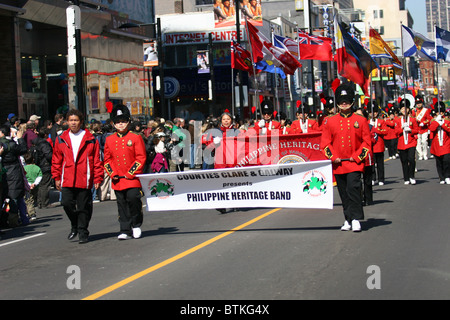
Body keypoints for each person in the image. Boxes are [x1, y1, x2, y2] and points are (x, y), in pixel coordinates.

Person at [321, 83, 371, 232]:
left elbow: (366, 143)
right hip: (338, 164)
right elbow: (325, 144)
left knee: (353, 188)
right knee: (343, 192)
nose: (344, 104)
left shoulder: (360, 120)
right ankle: (347, 218)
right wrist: (333, 157)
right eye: (342, 101)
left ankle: (356, 218)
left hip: (354, 163)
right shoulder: (330, 121)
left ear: (352, 102)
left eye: (347, 101)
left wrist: (356, 157)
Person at [52, 109, 104, 244]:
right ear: (67, 122)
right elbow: (56, 159)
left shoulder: (90, 139)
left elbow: (96, 160)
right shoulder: (61, 138)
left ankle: (82, 231)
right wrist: (56, 177)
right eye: (71, 120)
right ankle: (74, 224)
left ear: (81, 122)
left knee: (83, 207)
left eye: (76, 120)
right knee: (66, 203)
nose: (73, 123)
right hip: (67, 177)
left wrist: (97, 177)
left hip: (84, 177)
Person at [103, 104, 147, 240]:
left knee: (134, 200)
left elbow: (141, 157)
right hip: (118, 179)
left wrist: (131, 172)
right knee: (121, 204)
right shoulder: (109, 139)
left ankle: (136, 225)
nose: (120, 124)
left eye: (123, 121)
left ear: (128, 122)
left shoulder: (135, 137)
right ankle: (124, 229)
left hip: (132, 178)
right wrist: (112, 173)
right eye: (117, 122)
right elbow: (107, 159)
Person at [0, 126, 29, 227]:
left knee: (6, 197)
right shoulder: (11, 144)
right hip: (14, 172)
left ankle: (8, 219)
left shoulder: (4, 144)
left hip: (4, 172)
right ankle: (17, 219)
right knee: (17, 196)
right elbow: (23, 149)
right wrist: (20, 138)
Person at [395, 98, 419, 185]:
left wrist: (410, 130)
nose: (404, 110)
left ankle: (412, 176)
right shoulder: (397, 120)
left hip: (411, 142)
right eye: (402, 109)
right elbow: (396, 132)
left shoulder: (412, 119)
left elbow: (417, 130)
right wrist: (402, 128)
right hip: (402, 144)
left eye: (405, 108)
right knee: (404, 161)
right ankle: (406, 177)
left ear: (408, 109)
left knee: (411, 159)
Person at [30, 127, 53, 209]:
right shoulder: (44, 144)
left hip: (38, 164)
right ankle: (44, 202)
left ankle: (39, 201)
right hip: (45, 165)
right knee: (45, 184)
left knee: (41, 184)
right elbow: (48, 154)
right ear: (46, 135)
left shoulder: (36, 142)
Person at [429, 101, 450, 184]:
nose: (439, 114)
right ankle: (441, 177)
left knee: (447, 160)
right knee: (439, 162)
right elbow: (431, 129)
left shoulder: (447, 121)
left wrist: (443, 124)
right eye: (438, 112)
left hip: (446, 144)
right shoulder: (434, 121)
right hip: (437, 145)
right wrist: (437, 122)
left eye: (441, 112)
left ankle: (447, 175)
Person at [369, 102, 387, 185]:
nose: (374, 114)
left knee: (380, 164)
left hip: (379, 145)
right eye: (372, 112)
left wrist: (375, 129)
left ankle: (381, 179)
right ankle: (372, 177)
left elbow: (385, 131)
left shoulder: (381, 121)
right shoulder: (367, 121)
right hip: (371, 146)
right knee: (371, 164)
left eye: (375, 112)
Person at [411, 95, 432, 160]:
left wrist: (424, 123)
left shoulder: (426, 110)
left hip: (424, 129)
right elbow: (412, 119)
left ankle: (425, 154)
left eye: (420, 102)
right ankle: (420, 154)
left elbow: (429, 119)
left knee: (424, 142)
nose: (419, 104)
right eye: (417, 103)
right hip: (417, 130)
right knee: (418, 143)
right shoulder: (414, 111)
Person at [23, 152, 42, 221]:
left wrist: (29, 184)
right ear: (33, 159)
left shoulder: (24, 168)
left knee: (28, 200)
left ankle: (31, 213)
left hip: (27, 186)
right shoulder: (37, 168)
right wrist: (35, 183)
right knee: (33, 199)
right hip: (35, 186)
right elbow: (40, 176)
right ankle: (30, 211)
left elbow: (24, 177)